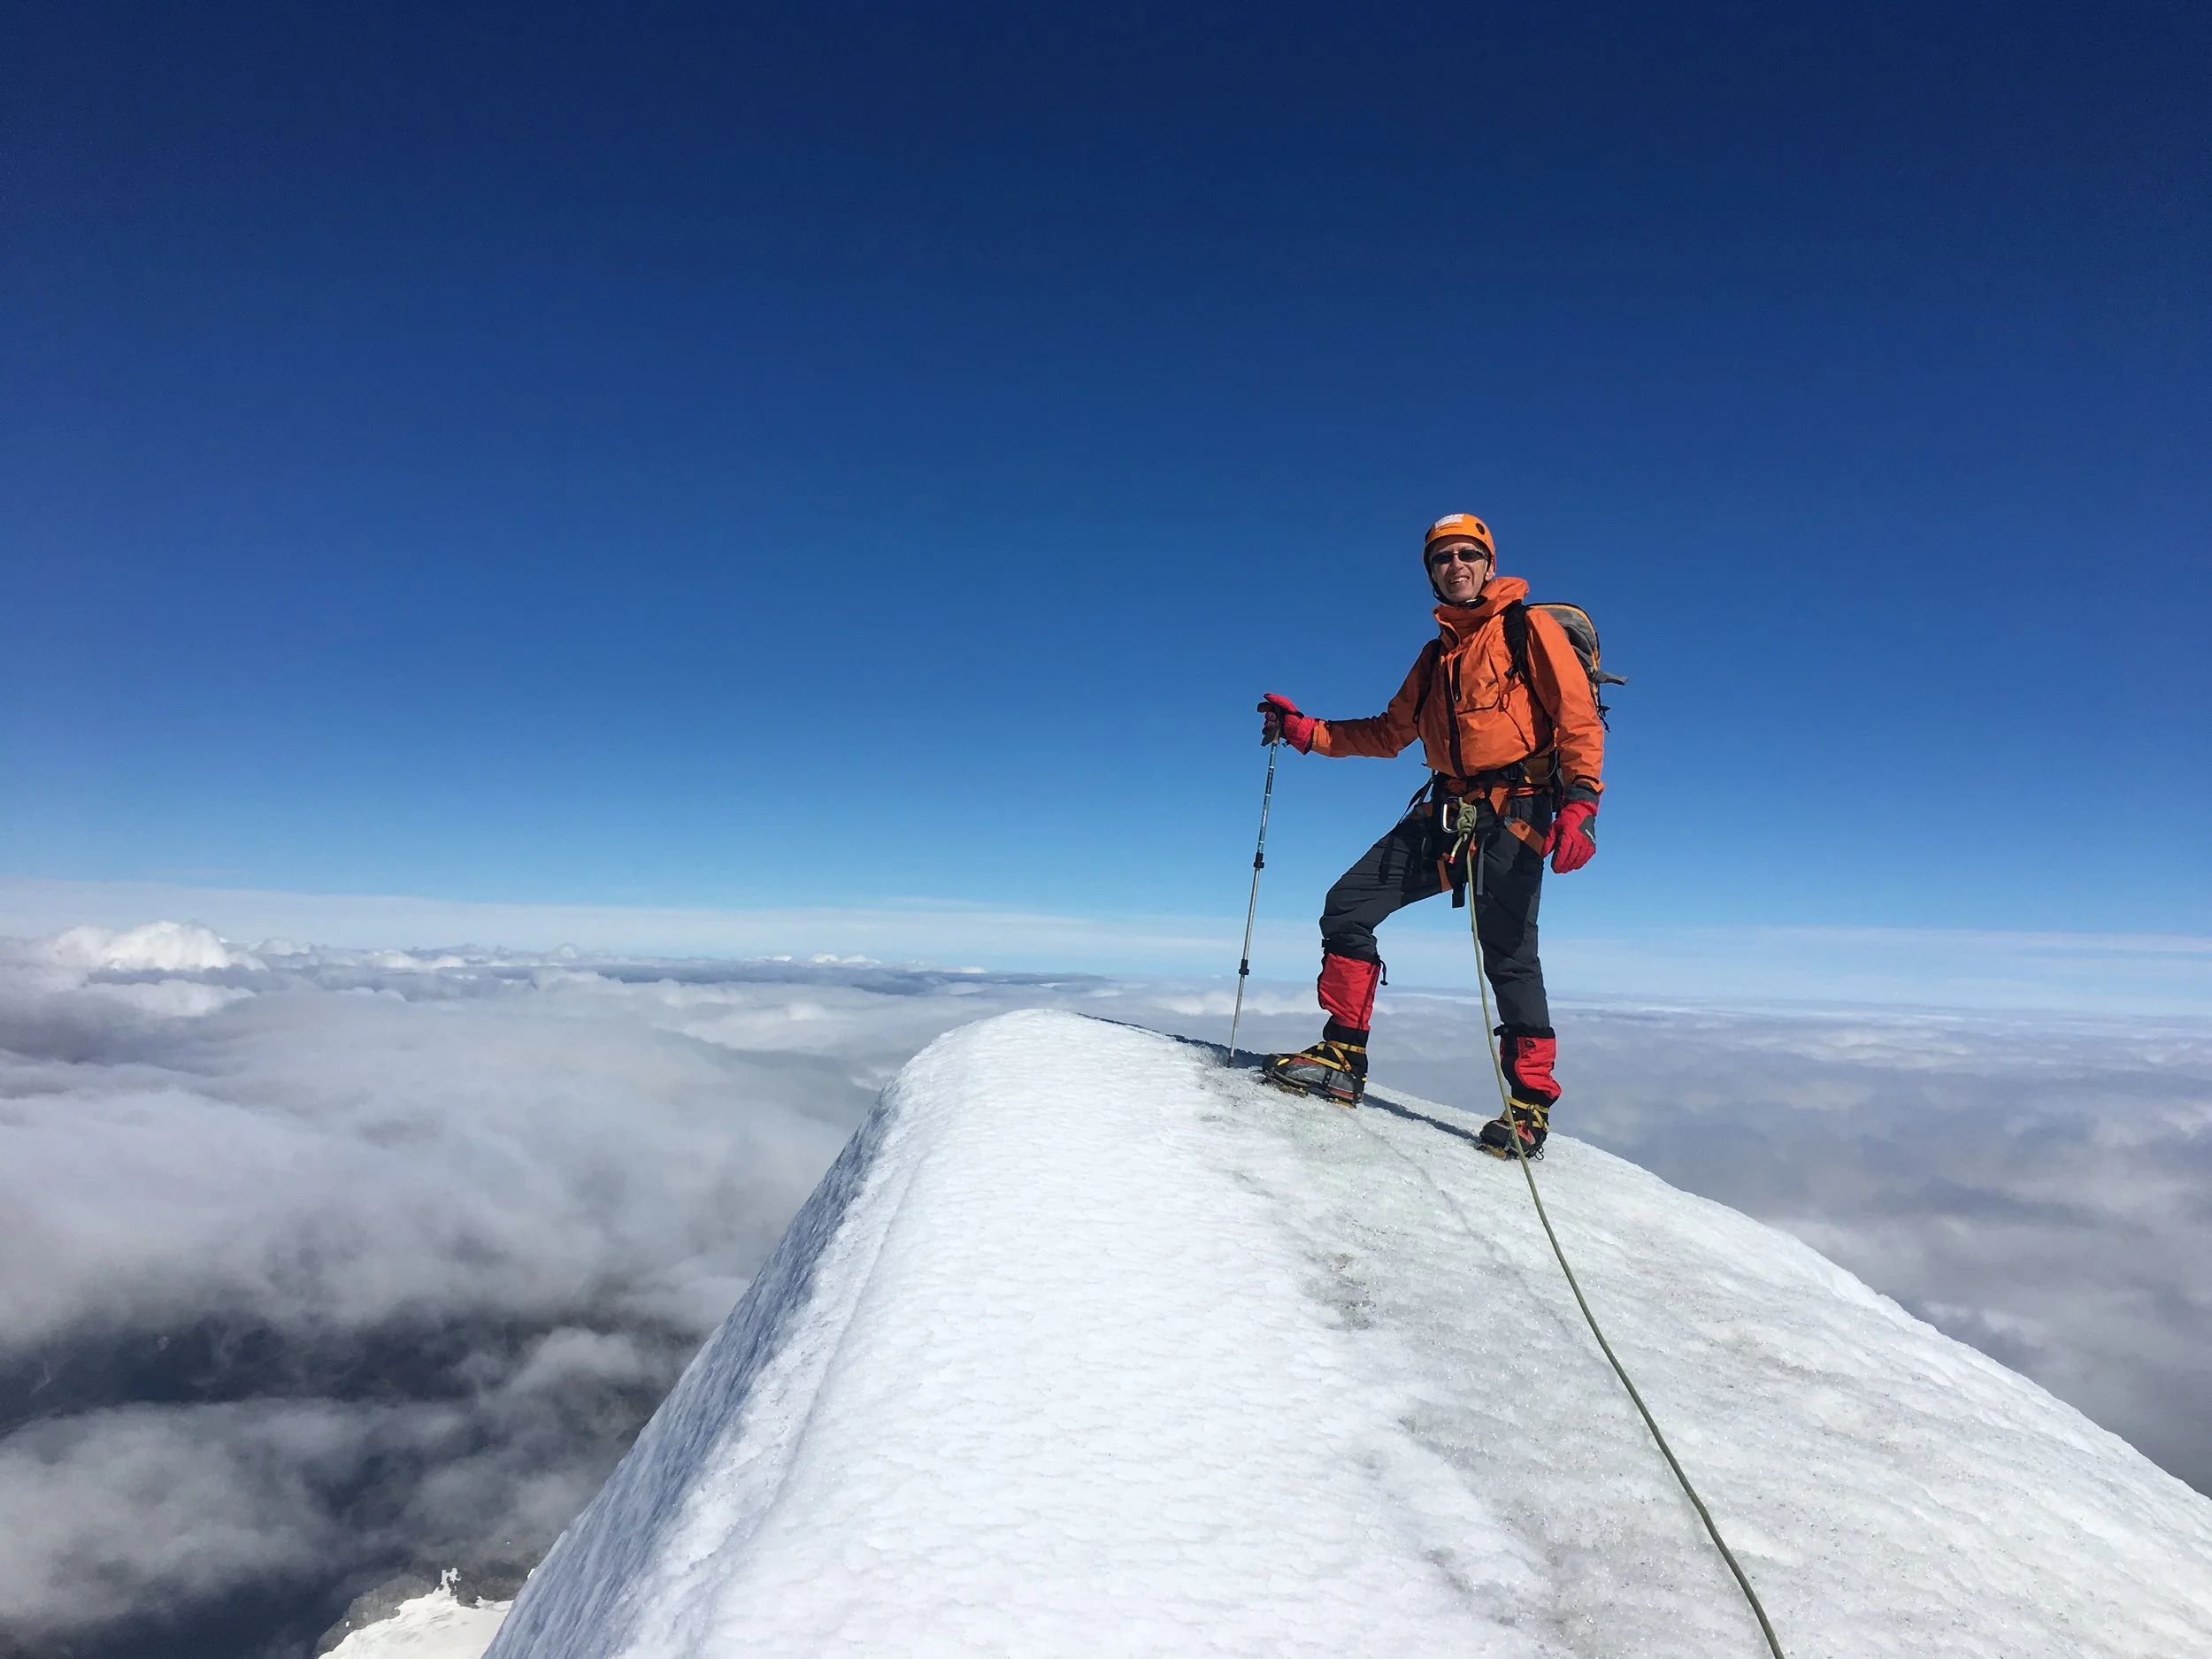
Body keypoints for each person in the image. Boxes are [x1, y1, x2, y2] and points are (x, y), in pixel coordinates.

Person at [1255, 511, 1605, 1157]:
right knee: (1348, 905)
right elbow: (1387, 732)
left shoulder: (1527, 631)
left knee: (1508, 954)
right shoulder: (1435, 655)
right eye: (1443, 558)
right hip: (1445, 812)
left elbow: (1579, 719)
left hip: (1516, 813)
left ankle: (1528, 1106)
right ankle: (1343, 1056)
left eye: (1469, 554)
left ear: (1489, 565)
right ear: (1432, 574)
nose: (1457, 566)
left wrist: (1581, 803)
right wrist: (1307, 732)